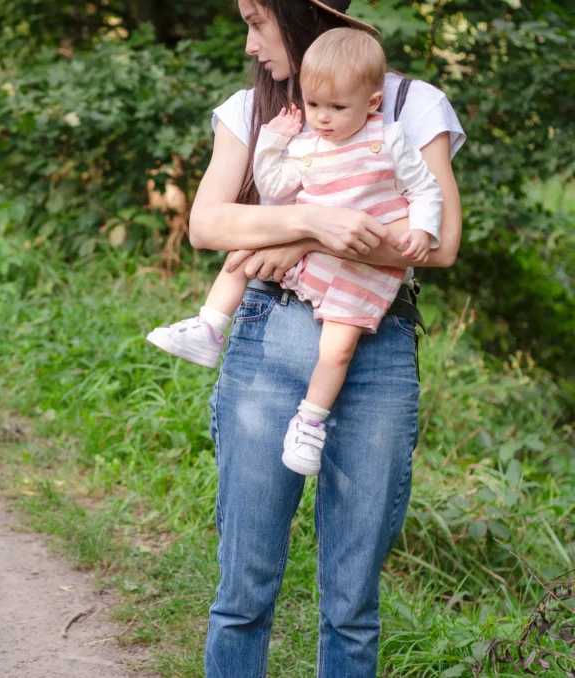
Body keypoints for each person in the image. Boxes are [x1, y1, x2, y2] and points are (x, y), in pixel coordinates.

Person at [186, 0, 465, 675]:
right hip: (264, 337)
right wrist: (315, 224)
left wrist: (292, 233)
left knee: (351, 604)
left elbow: (444, 243)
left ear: (302, 12)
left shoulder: (408, 104)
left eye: (258, 22)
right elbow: (206, 226)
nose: (251, 44)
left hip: (375, 347)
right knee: (244, 590)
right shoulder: (248, 111)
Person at [147, 27, 444, 477]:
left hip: (359, 272)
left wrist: (421, 227)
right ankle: (209, 327)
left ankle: (309, 422)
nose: (321, 118)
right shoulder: (307, 143)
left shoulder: (391, 138)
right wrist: (273, 143)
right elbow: (274, 187)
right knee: (243, 253)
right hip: (304, 264)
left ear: (371, 103)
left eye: (336, 107)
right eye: (313, 105)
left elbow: (425, 190)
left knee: (336, 349)